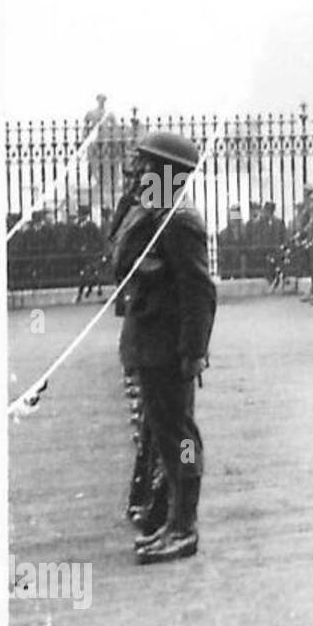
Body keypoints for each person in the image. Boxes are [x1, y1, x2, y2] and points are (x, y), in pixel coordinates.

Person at [111, 132, 216, 565]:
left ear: (166, 173)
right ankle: (171, 521)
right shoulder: (153, 212)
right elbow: (119, 253)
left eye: (147, 166)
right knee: (165, 437)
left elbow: (200, 292)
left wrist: (192, 350)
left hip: (168, 348)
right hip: (149, 344)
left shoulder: (179, 220)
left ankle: (184, 527)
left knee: (181, 439)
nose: (138, 173)